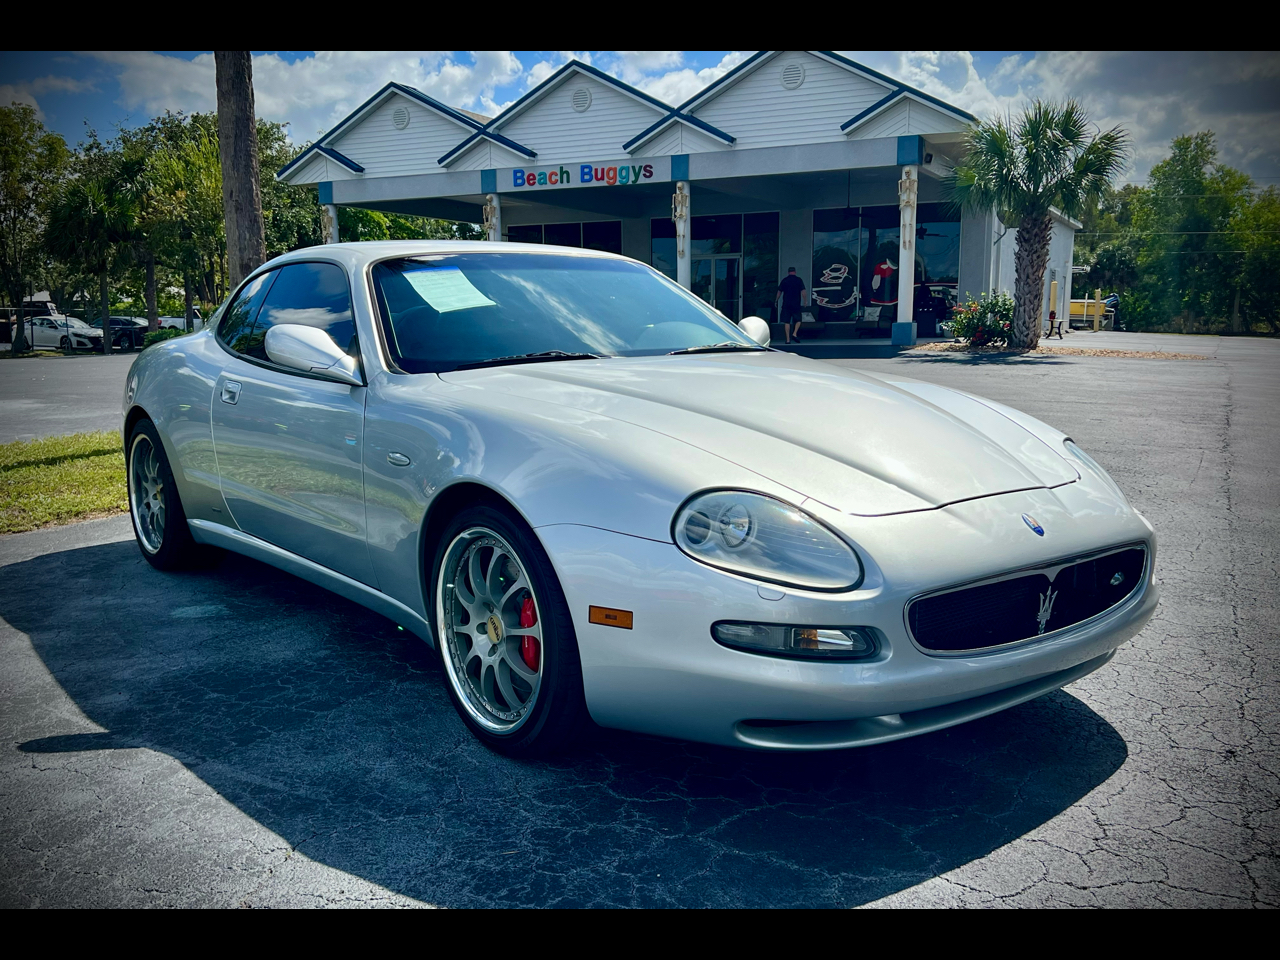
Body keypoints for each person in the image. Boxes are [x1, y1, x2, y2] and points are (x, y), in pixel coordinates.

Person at [775, 267, 808, 343]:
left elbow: (779, 292)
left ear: (788, 272)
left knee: (787, 321)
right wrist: (805, 301)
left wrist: (776, 300)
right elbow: (803, 291)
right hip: (796, 303)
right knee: (798, 320)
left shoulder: (785, 280)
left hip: (786, 303)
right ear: (795, 272)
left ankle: (787, 340)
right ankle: (794, 333)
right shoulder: (799, 280)